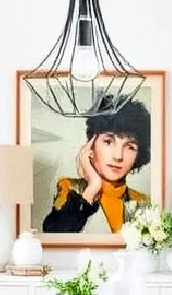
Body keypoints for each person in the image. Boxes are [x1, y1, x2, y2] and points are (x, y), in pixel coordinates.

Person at [42, 97, 151, 234]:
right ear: (90, 147)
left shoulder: (142, 201)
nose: (118, 156)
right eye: (108, 142)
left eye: (130, 147)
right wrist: (92, 187)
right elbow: (55, 235)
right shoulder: (69, 188)